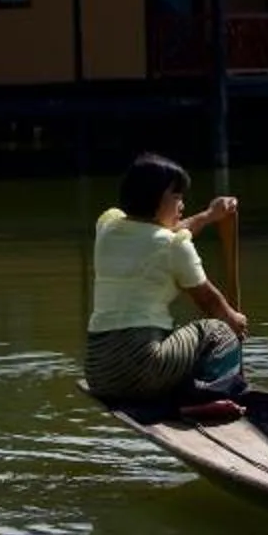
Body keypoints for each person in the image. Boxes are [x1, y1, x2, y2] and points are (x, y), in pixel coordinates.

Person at [83, 153, 250, 417]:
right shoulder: (174, 246)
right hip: (142, 370)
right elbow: (209, 302)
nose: (182, 204)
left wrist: (208, 216)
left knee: (192, 334)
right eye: (177, 196)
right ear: (155, 197)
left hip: (99, 372)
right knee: (219, 332)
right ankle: (201, 397)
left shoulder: (107, 228)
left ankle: (185, 390)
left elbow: (158, 235)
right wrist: (235, 320)